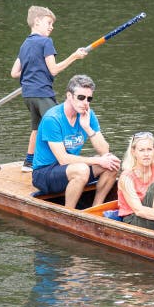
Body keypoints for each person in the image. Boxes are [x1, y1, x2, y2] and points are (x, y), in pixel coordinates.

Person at [11, 5, 89, 172]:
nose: (51, 27)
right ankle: (63, 161)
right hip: (42, 93)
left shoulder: (25, 44)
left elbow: (15, 73)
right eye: (49, 22)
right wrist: (74, 56)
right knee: (59, 124)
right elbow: (53, 69)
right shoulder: (46, 42)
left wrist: (33, 70)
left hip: (28, 95)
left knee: (37, 128)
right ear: (37, 21)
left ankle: (29, 162)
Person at [31, 74, 120, 209]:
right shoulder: (53, 118)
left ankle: (96, 209)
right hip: (44, 173)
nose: (85, 102)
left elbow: (104, 151)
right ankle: (69, 212)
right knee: (82, 169)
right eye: (81, 97)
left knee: (112, 163)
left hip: (70, 169)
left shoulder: (88, 114)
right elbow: (63, 159)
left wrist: (87, 128)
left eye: (89, 98)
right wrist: (97, 161)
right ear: (69, 96)